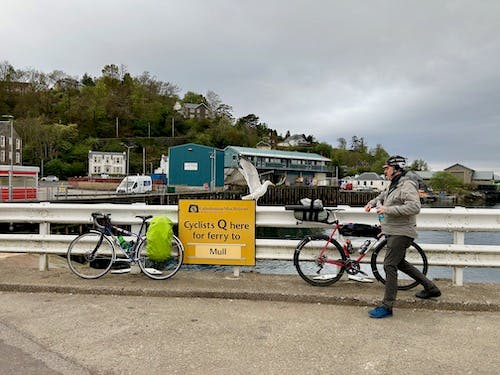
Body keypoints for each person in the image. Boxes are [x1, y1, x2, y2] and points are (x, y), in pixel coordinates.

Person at [364, 155, 441, 319]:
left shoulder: (406, 184)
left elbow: (414, 207)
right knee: (400, 263)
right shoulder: (394, 184)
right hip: (393, 230)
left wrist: (387, 210)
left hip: (402, 231)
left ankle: (387, 306)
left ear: (396, 168)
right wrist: (372, 203)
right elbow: (383, 196)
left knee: (389, 265)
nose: (385, 170)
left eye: (387, 168)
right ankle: (431, 288)